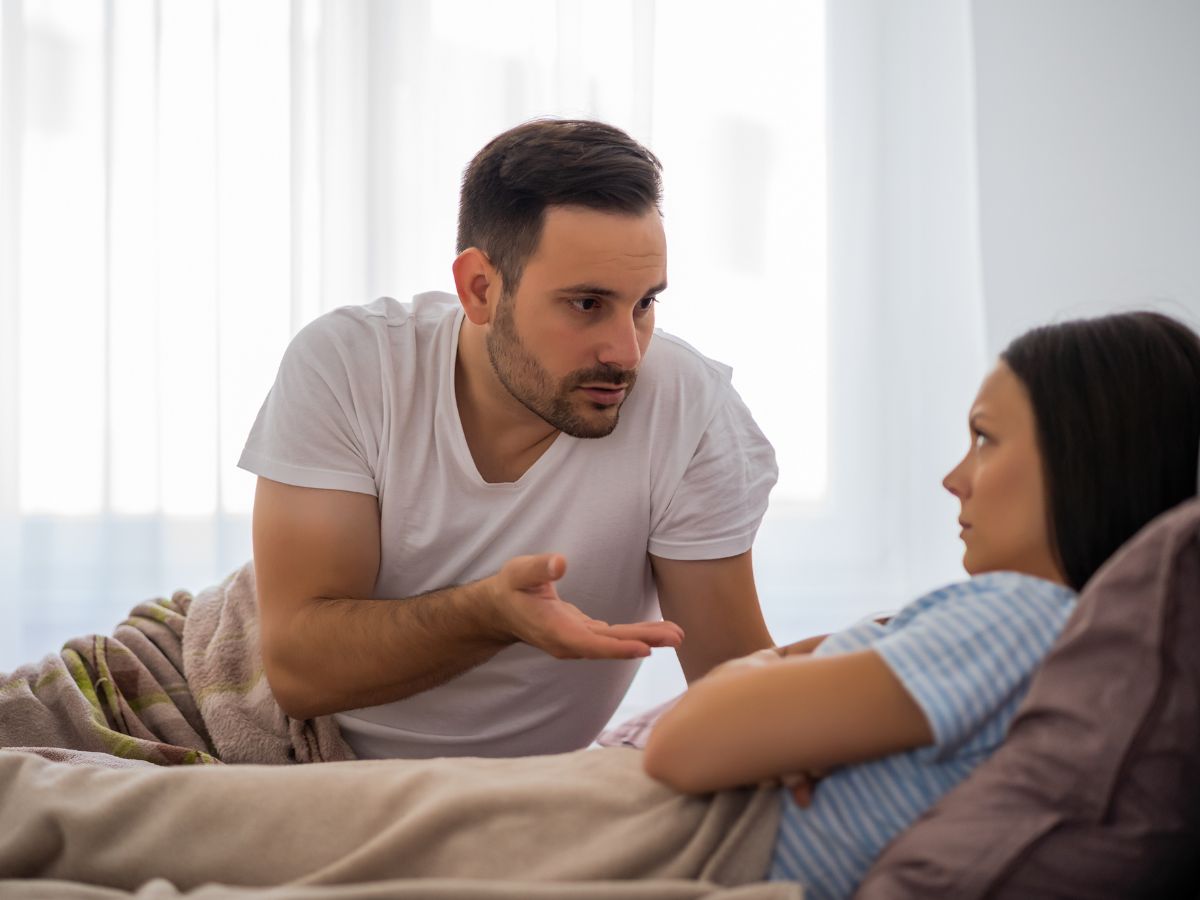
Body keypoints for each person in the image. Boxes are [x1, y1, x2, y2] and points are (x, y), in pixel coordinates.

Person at [4, 311, 1197, 900]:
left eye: (986, 440)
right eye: (588, 303)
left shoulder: (1024, 622)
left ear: (1093, 458)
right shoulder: (1042, 642)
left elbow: (697, 730)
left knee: (175, 834)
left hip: (651, 817)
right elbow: (741, 706)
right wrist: (786, 690)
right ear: (481, 287)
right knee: (182, 829)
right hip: (617, 803)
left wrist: (771, 692)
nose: (954, 475)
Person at [237, 118, 779, 760]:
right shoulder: (352, 365)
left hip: (498, 795)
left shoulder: (691, 413)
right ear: (480, 289)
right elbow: (300, 673)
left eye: (645, 303)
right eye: (586, 305)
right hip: (242, 704)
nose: (626, 352)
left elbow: (736, 688)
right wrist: (487, 616)